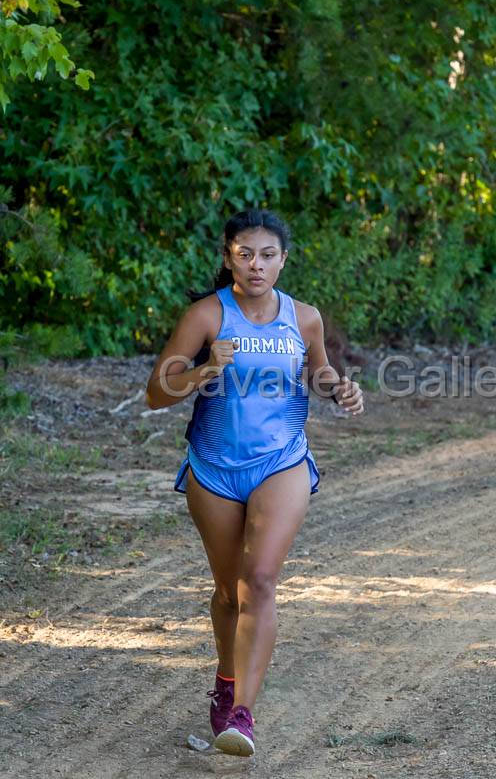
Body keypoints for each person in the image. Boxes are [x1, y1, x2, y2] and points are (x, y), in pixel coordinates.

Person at [145, 209, 364, 757]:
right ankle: (225, 682)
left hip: (281, 461)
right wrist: (200, 372)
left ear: (283, 260)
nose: (256, 264)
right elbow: (156, 392)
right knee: (227, 591)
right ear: (228, 258)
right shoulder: (205, 317)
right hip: (214, 468)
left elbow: (317, 371)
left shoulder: (304, 317)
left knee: (259, 580)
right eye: (245, 254)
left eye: (267, 255)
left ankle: (241, 713)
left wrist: (340, 390)